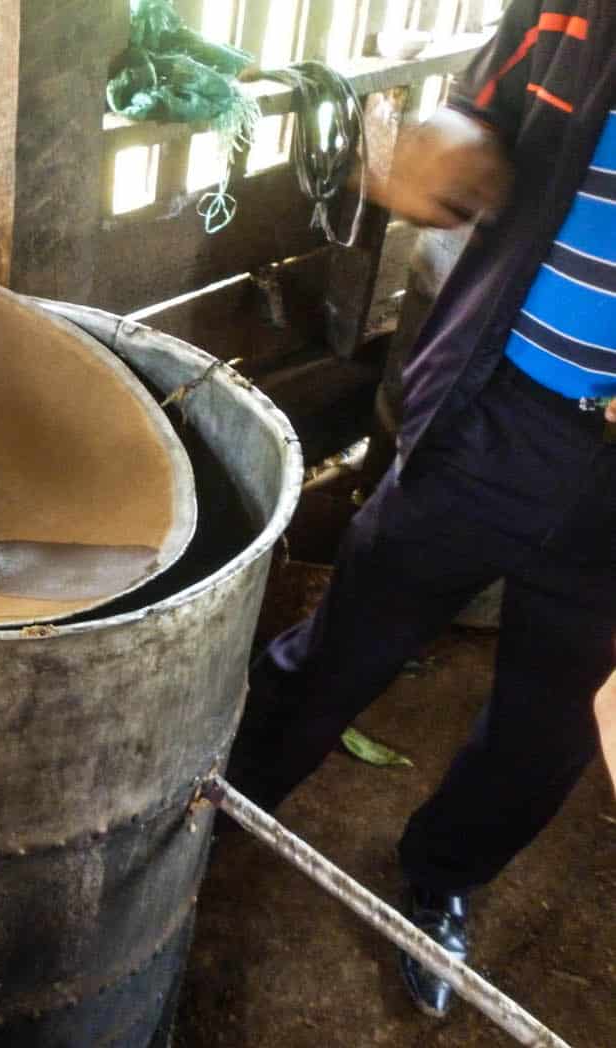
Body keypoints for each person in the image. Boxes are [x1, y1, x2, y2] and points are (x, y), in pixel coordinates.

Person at [226, 0, 616, 1019]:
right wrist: (446, 144)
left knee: (547, 727)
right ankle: (222, 808)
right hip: (497, 411)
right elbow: (477, 110)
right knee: (347, 633)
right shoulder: (575, 13)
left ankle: (441, 876)